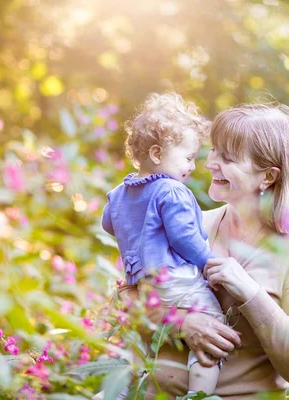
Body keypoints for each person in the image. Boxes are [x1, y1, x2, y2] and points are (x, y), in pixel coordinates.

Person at [118, 102, 289, 398]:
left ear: (268, 176)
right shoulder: (191, 227)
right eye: (214, 150)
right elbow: (128, 301)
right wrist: (183, 322)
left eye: (229, 157)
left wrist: (251, 294)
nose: (210, 164)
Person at [101, 92, 225, 395]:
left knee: (140, 345)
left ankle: (116, 391)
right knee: (212, 325)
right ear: (157, 154)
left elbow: (108, 224)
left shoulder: (119, 193)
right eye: (188, 158)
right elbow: (184, 237)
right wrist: (208, 263)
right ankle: (200, 394)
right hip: (176, 280)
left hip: (143, 287)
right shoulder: (172, 191)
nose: (193, 167)